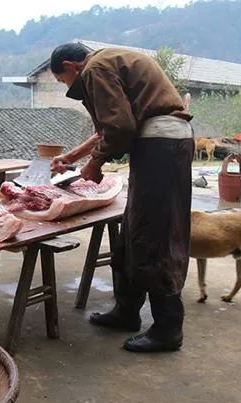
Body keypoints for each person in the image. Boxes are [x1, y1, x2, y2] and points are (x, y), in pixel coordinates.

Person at [49, 43, 194, 352]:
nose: (66, 86)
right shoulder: (108, 61)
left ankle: (169, 328)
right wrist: (74, 156)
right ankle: (126, 311)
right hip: (159, 145)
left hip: (161, 146)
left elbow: (120, 126)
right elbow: (111, 127)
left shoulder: (95, 69)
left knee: (155, 234)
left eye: (62, 80)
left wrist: (95, 164)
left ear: (71, 66)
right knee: (133, 229)